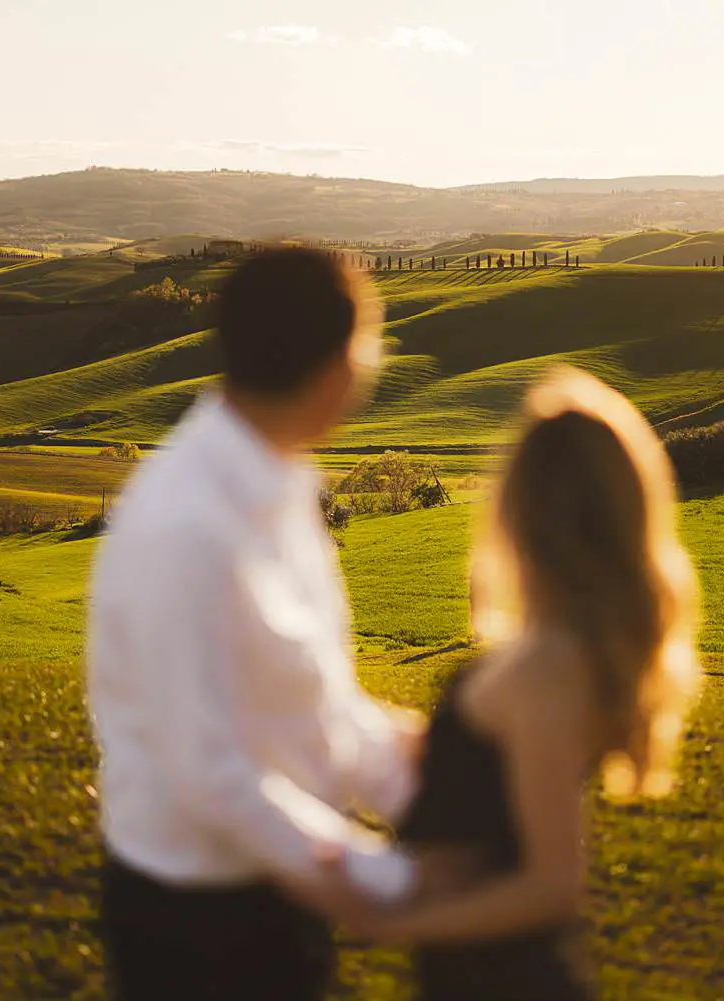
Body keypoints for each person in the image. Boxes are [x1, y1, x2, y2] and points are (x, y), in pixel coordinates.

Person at [298, 368, 703, 1000]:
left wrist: (398, 920)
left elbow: (550, 884)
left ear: (522, 507)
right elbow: (492, 780)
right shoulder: (573, 655)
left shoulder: (546, 667)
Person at [86, 248, 425, 1001]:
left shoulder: (282, 487)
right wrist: (386, 874)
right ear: (342, 364)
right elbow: (207, 770)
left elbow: (314, 703)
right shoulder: (189, 523)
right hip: (196, 926)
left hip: (282, 883)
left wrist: (422, 796)